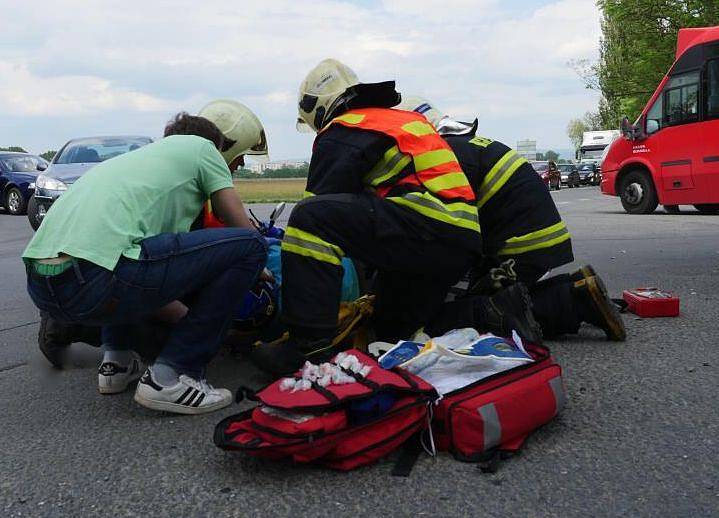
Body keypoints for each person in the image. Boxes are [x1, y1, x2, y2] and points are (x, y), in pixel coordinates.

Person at [250, 59, 536, 376]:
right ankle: (496, 314)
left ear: (319, 109)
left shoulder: (344, 129)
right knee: (390, 331)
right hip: (457, 239)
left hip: (425, 223)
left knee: (307, 219)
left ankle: (307, 349)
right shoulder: (398, 120)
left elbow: (318, 215)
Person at [24, 104, 269, 414]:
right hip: (95, 277)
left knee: (130, 253)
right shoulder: (202, 148)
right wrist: (256, 274)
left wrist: (187, 321)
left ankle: (116, 361)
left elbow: (150, 282)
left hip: (43, 285)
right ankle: (174, 376)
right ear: (215, 146)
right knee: (250, 246)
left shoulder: (129, 166)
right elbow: (241, 227)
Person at [397, 97, 626, 341]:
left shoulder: (443, 155)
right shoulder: (466, 144)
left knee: (463, 314)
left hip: (521, 247)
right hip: (536, 242)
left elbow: (451, 229)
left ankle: (575, 301)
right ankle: (576, 288)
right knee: (494, 294)